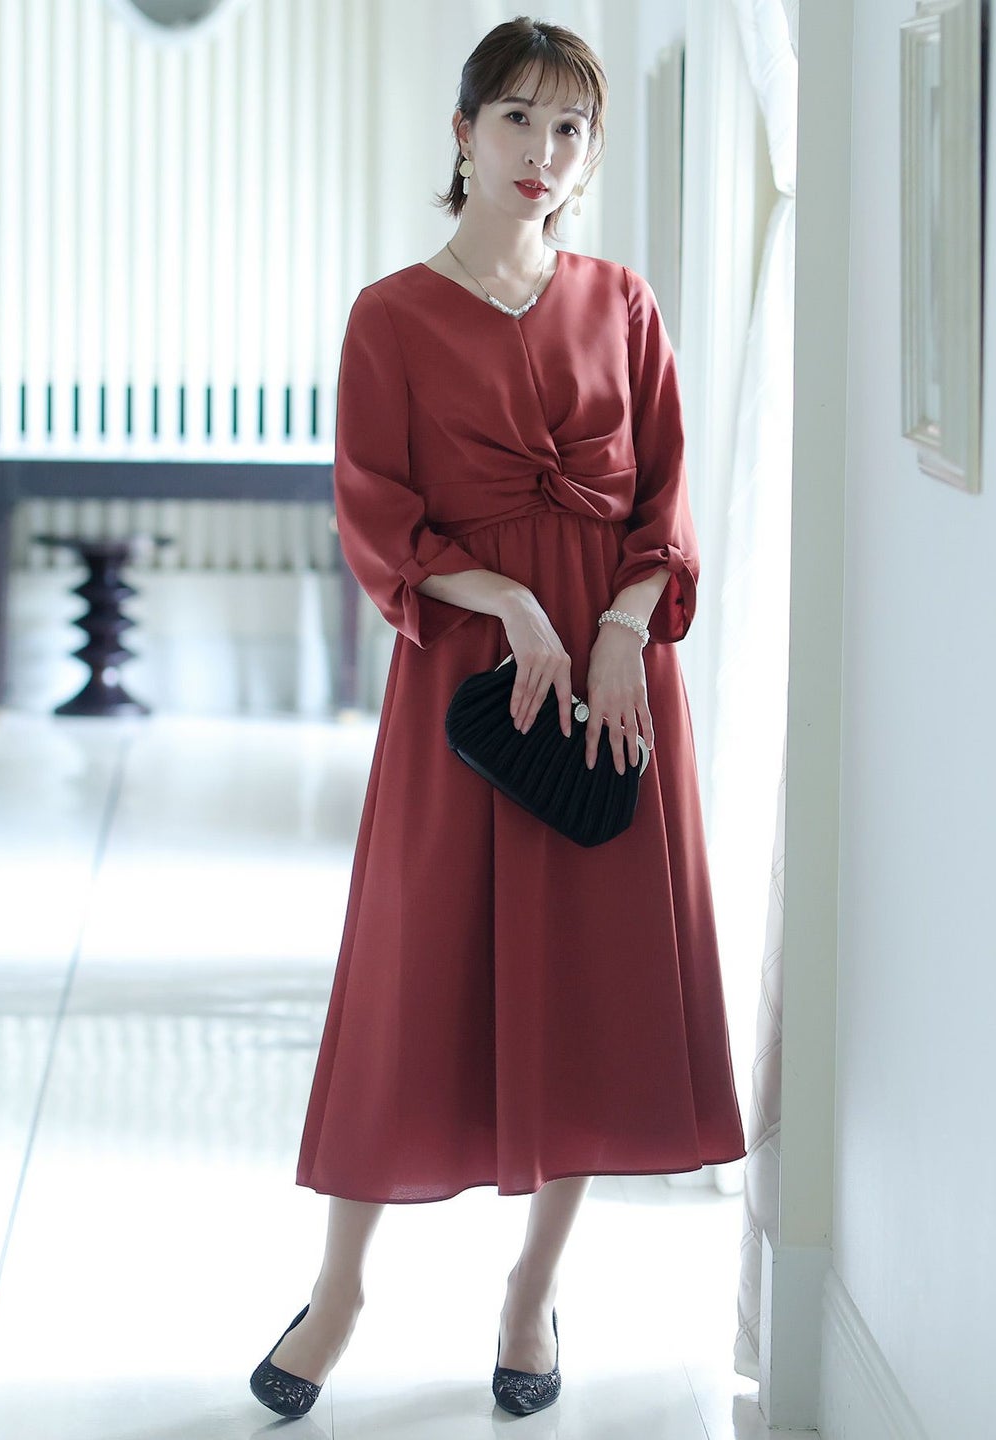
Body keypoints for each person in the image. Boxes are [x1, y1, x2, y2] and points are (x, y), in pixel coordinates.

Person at [249, 14, 746, 1421]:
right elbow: (376, 514)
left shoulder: (623, 303)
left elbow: (666, 505)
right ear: (462, 133)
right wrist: (513, 602)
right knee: (410, 977)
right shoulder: (392, 317)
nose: (543, 151)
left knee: (590, 982)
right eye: (517, 119)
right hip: (468, 680)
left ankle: (534, 1290)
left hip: (612, 684)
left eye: (570, 128)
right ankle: (339, 1293)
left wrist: (617, 633)